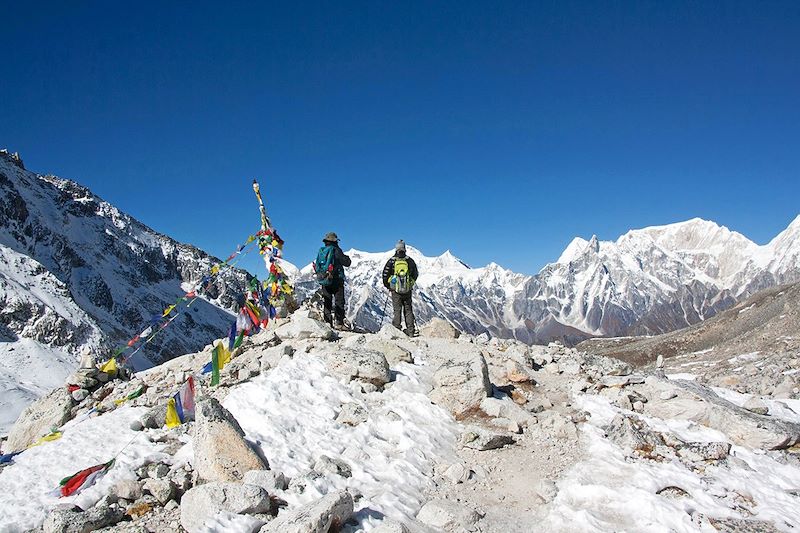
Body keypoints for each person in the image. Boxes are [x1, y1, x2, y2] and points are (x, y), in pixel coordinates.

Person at [314, 232, 352, 329]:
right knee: (339, 301)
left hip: (324, 279)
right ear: (335, 241)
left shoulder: (322, 251)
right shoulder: (336, 250)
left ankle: (327, 323)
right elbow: (347, 262)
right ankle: (339, 323)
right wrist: (346, 258)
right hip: (336, 279)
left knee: (327, 301)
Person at [382, 240, 419, 336]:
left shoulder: (392, 261)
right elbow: (415, 274)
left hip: (395, 290)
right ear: (404, 248)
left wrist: (389, 286)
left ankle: (397, 330)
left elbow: (385, 274)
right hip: (407, 290)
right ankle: (411, 331)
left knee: (397, 310)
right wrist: (410, 284)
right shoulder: (409, 260)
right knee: (408, 310)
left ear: (396, 248)